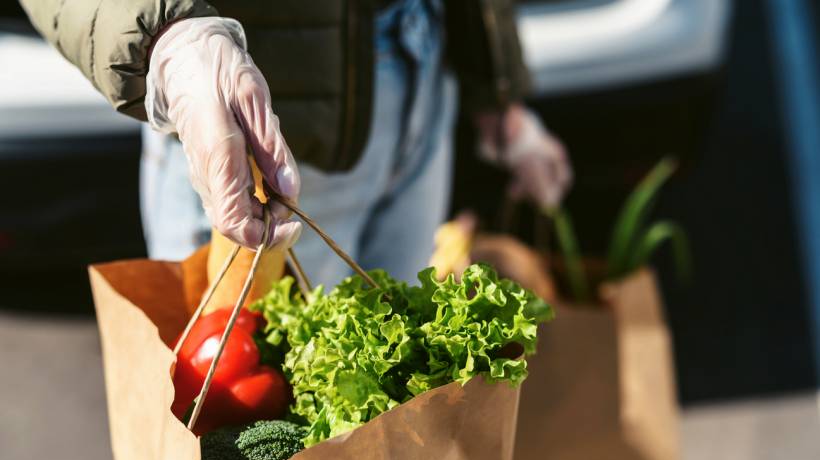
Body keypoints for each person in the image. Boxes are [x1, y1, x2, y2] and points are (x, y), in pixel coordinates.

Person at [20, 0, 572, 287]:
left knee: (392, 442)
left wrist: (496, 83)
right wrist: (166, 35)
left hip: (424, 71)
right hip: (250, 116)